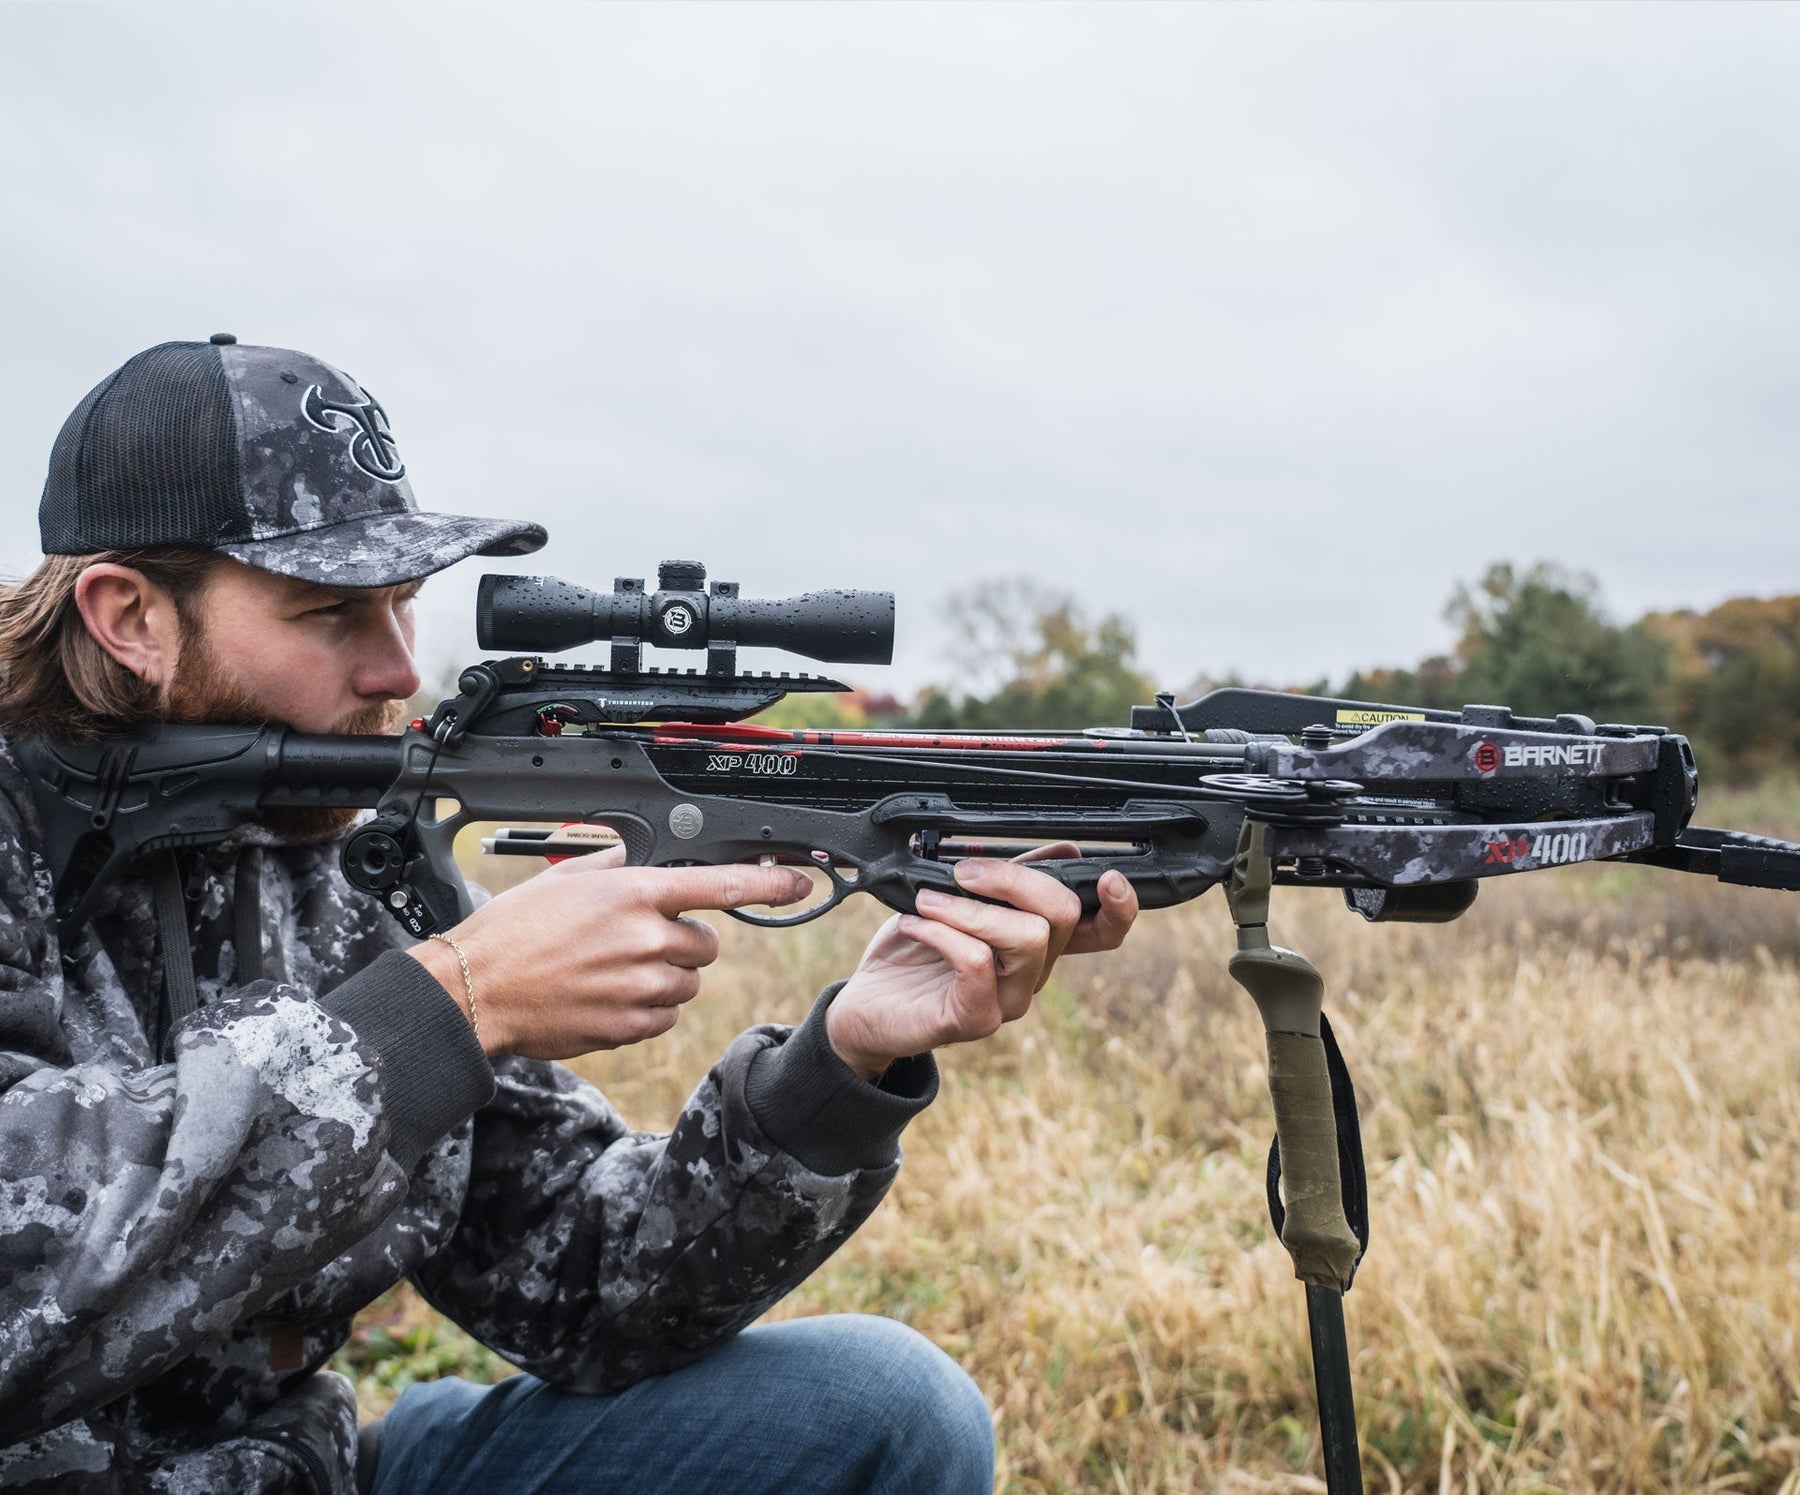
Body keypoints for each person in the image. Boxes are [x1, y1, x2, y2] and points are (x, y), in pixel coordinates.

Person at [0, 337, 1140, 1494]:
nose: (398, 670)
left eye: (404, 605)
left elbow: (583, 1284)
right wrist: (452, 1004)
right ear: (129, 616)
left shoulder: (333, 848)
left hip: (300, 1474)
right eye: (331, 613)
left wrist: (843, 1062)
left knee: (885, 1409)